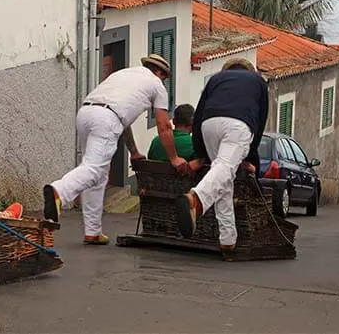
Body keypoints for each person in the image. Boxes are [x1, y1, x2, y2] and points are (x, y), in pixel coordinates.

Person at [42, 54, 187, 245]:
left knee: (99, 173)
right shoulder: (156, 85)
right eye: (164, 77)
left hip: (86, 113)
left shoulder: (125, 75)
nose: (163, 81)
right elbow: (164, 126)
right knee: (93, 169)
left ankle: (93, 231)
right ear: (159, 72)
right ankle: (58, 191)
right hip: (107, 119)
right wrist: (174, 158)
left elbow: (123, 121)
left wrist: (133, 151)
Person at [174, 58, 269, 256]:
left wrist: (200, 154)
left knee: (224, 179)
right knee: (225, 168)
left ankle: (227, 240)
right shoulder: (258, 81)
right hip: (239, 125)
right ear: (248, 70)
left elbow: (198, 115)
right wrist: (251, 155)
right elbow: (260, 122)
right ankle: (195, 199)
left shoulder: (215, 79)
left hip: (209, 124)